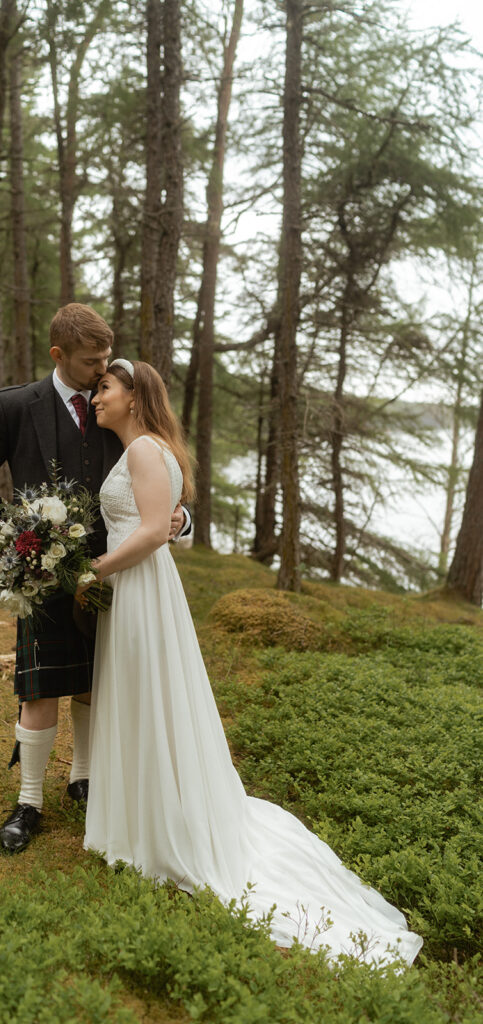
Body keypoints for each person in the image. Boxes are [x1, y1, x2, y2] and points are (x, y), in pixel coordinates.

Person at [80, 358, 423, 966]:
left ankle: (157, 828)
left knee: (148, 695)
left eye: (105, 388)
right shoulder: (144, 450)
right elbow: (174, 524)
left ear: (134, 397)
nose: (97, 396)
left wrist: (95, 569)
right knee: (142, 696)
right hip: (137, 590)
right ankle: (139, 814)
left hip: (137, 587)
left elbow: (159, 529)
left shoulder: (143, 452)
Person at [0, 305, 187, 855]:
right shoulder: (16, 406)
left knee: (93, 680)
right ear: (59, 355)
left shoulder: (116, 406)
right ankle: (28, 802)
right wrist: (14, 544)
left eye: (106, 360)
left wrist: (181, 520)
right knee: (39, 688)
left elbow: (162, 482)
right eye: (91, 362)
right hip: (44, 577)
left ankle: (82, 779)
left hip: (116, 573)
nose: (100, 371)